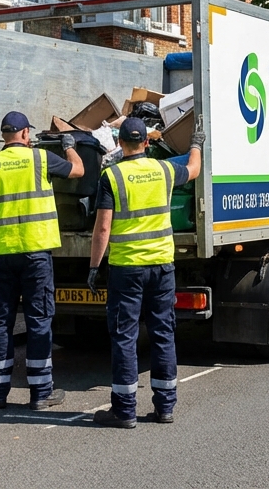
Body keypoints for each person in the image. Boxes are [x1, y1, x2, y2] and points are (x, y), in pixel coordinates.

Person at [88, 117, 202, 428]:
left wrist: (95, 266)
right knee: (163, 333)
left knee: (125, 337)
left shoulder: (112, 176)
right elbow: (193, 170)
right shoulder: (164, 170)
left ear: (120, 144)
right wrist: (196, 143)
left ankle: (124, 411)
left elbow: (103, 228)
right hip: (162, 266)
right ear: (147, 143)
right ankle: (165, 408)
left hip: (127, 269)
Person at [0, 111, 83, 410]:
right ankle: (41, 392)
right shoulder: (41, 159)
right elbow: (78, 171)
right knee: (39, 321)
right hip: (36, 253)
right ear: (25, 134)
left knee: (0, 323)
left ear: (4, 135)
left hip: (3, 255)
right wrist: (69, 144)